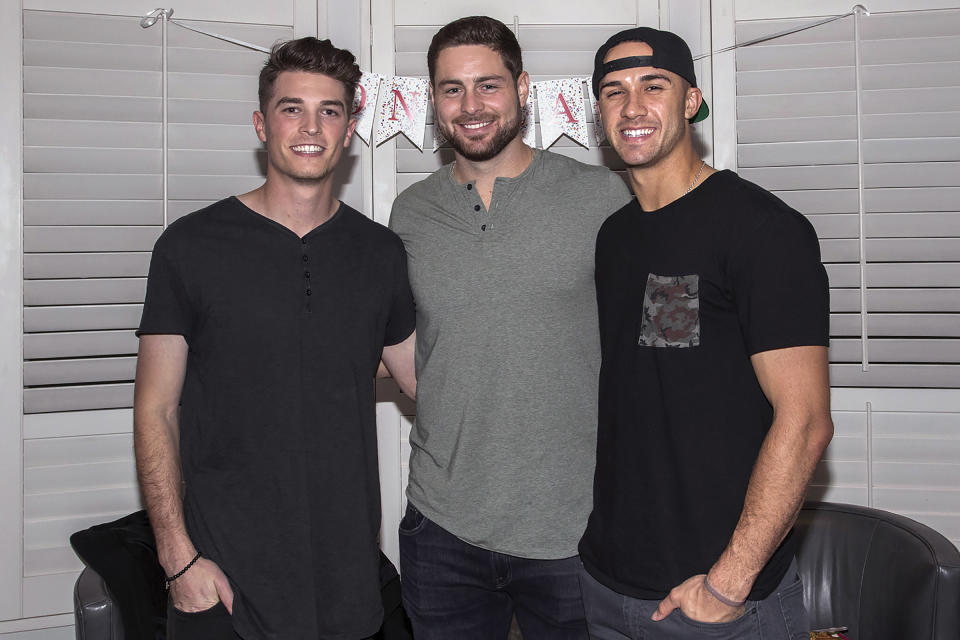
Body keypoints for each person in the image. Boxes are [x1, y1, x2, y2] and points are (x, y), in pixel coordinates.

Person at [133, 37, 416, 640]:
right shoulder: (189, 247)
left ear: (349, 128)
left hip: (347, 580)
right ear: (262, 124)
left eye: (330, 110)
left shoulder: (379, 252)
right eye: (292, 108)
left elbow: (420, 374)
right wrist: (176, 557)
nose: (310, 126)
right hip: (224, 580)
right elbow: (154, 409)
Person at [577, 26, 835, 640]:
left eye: (653, 86)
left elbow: (805, 422)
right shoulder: (615, 237)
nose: (632, 107)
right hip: (607, 583)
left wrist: (726, 585)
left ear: (691, 102)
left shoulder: (762, 230)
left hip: (715, 601)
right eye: (614, 92)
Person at [387, 15, 632, 640]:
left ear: (523, 88)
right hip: (442, 528)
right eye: (451, 89)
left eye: (488, 85)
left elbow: (656, 348)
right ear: (434, 100)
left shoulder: (602, 198)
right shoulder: (409, 213)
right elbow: (411, 350)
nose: (470, 107)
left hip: (574, 532)